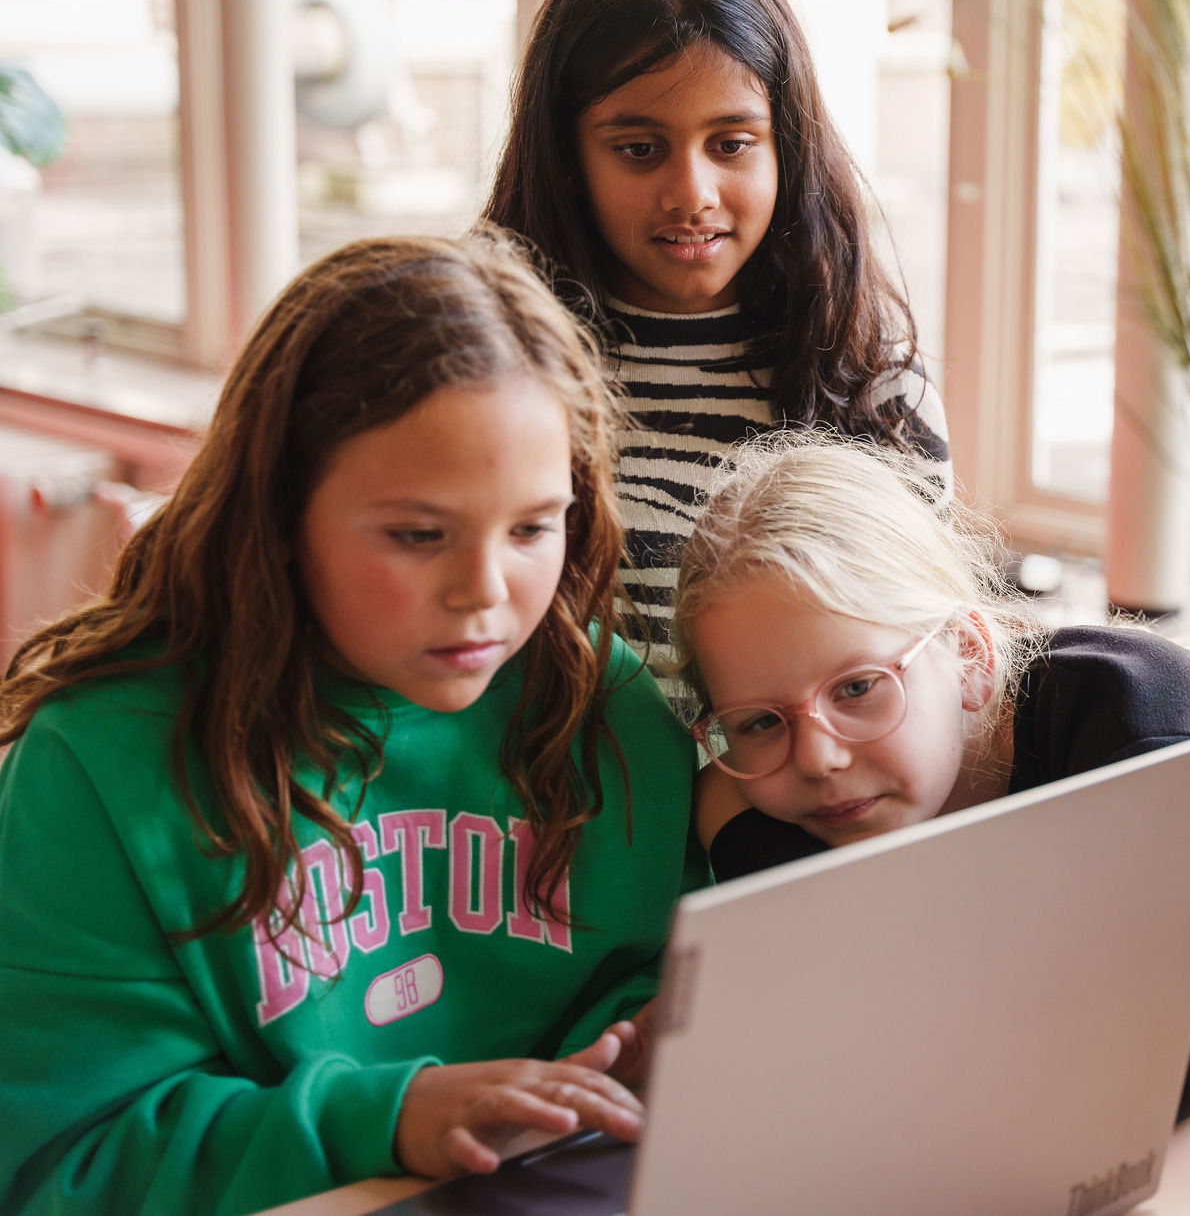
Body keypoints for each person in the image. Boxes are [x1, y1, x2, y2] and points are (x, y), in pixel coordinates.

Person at [0, 236, 707, 1216]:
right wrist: (390, 1115)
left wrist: (627, 1041)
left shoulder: (607, 704)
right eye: (420, 535)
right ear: (280, 515)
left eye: (533, 527)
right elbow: (61, 1160)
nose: (485, 592)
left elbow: (658, 979)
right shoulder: (100, 762)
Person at [674, 435, 1190, 1119]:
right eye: (760, 720)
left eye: (859, 688)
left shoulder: (1141, 731)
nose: (818, 758)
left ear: (968, 654)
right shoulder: (776, 780)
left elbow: (1166, 1067)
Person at [481, 0, 950, 681]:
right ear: (566, 156)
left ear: (786, 145)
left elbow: (917, 672)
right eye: (639, 148)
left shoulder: (873, 380)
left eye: (731, 143)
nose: (692, 195)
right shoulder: (485, 357)